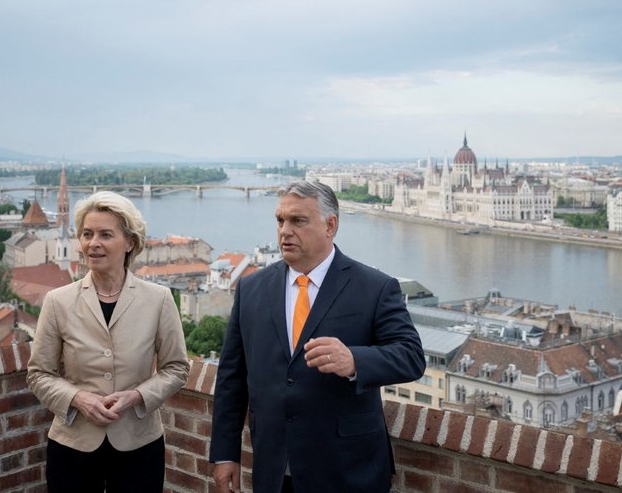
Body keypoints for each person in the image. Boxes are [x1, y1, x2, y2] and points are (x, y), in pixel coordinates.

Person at [210, 181, 425, 492]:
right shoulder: (251, 288)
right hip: (273, 469)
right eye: (280, 220)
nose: (285, 230)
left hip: (347, 470)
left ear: (330, 225)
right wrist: (225, 453)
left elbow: (411, 356)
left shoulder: (375, 287)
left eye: (298, 221)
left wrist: (354, 361)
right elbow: (232, 376)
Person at [27, 191, 190, 493]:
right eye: (87, 234)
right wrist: (77, 398)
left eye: (105, 234)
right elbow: (38, 374)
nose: (93, 243)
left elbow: (177, 368)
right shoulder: (58, 301)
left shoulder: (158, 300)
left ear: (130, 242)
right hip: (73, 444)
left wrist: (136, 396)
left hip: (139, 444)